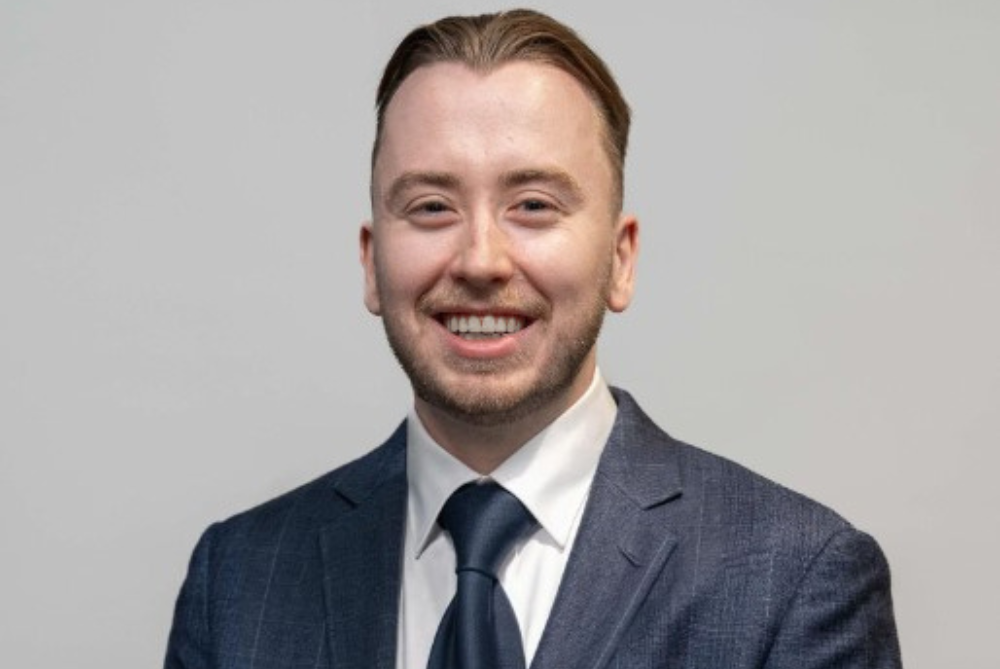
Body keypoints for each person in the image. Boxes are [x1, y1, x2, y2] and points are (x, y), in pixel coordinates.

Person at [165, 9, 902, 669]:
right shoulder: (236, 582)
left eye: (534, 204)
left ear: (620, 258)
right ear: (370, 260)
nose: (481, 259)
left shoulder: (794, 578)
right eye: (429, 206)